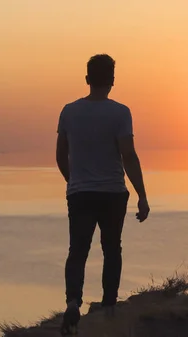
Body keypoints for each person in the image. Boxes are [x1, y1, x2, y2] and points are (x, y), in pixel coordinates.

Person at [56, 54, 150, 334]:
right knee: (111, 248)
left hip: (80, 193)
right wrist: (142, 195)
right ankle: (109, 304)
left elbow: (61, 155)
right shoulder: (120, 112)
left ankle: (73, 300)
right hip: (112, 193)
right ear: (112, 80)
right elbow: (128, 155)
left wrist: (73, 182)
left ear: (87, 79)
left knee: (78, 250)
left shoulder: (69, 111)